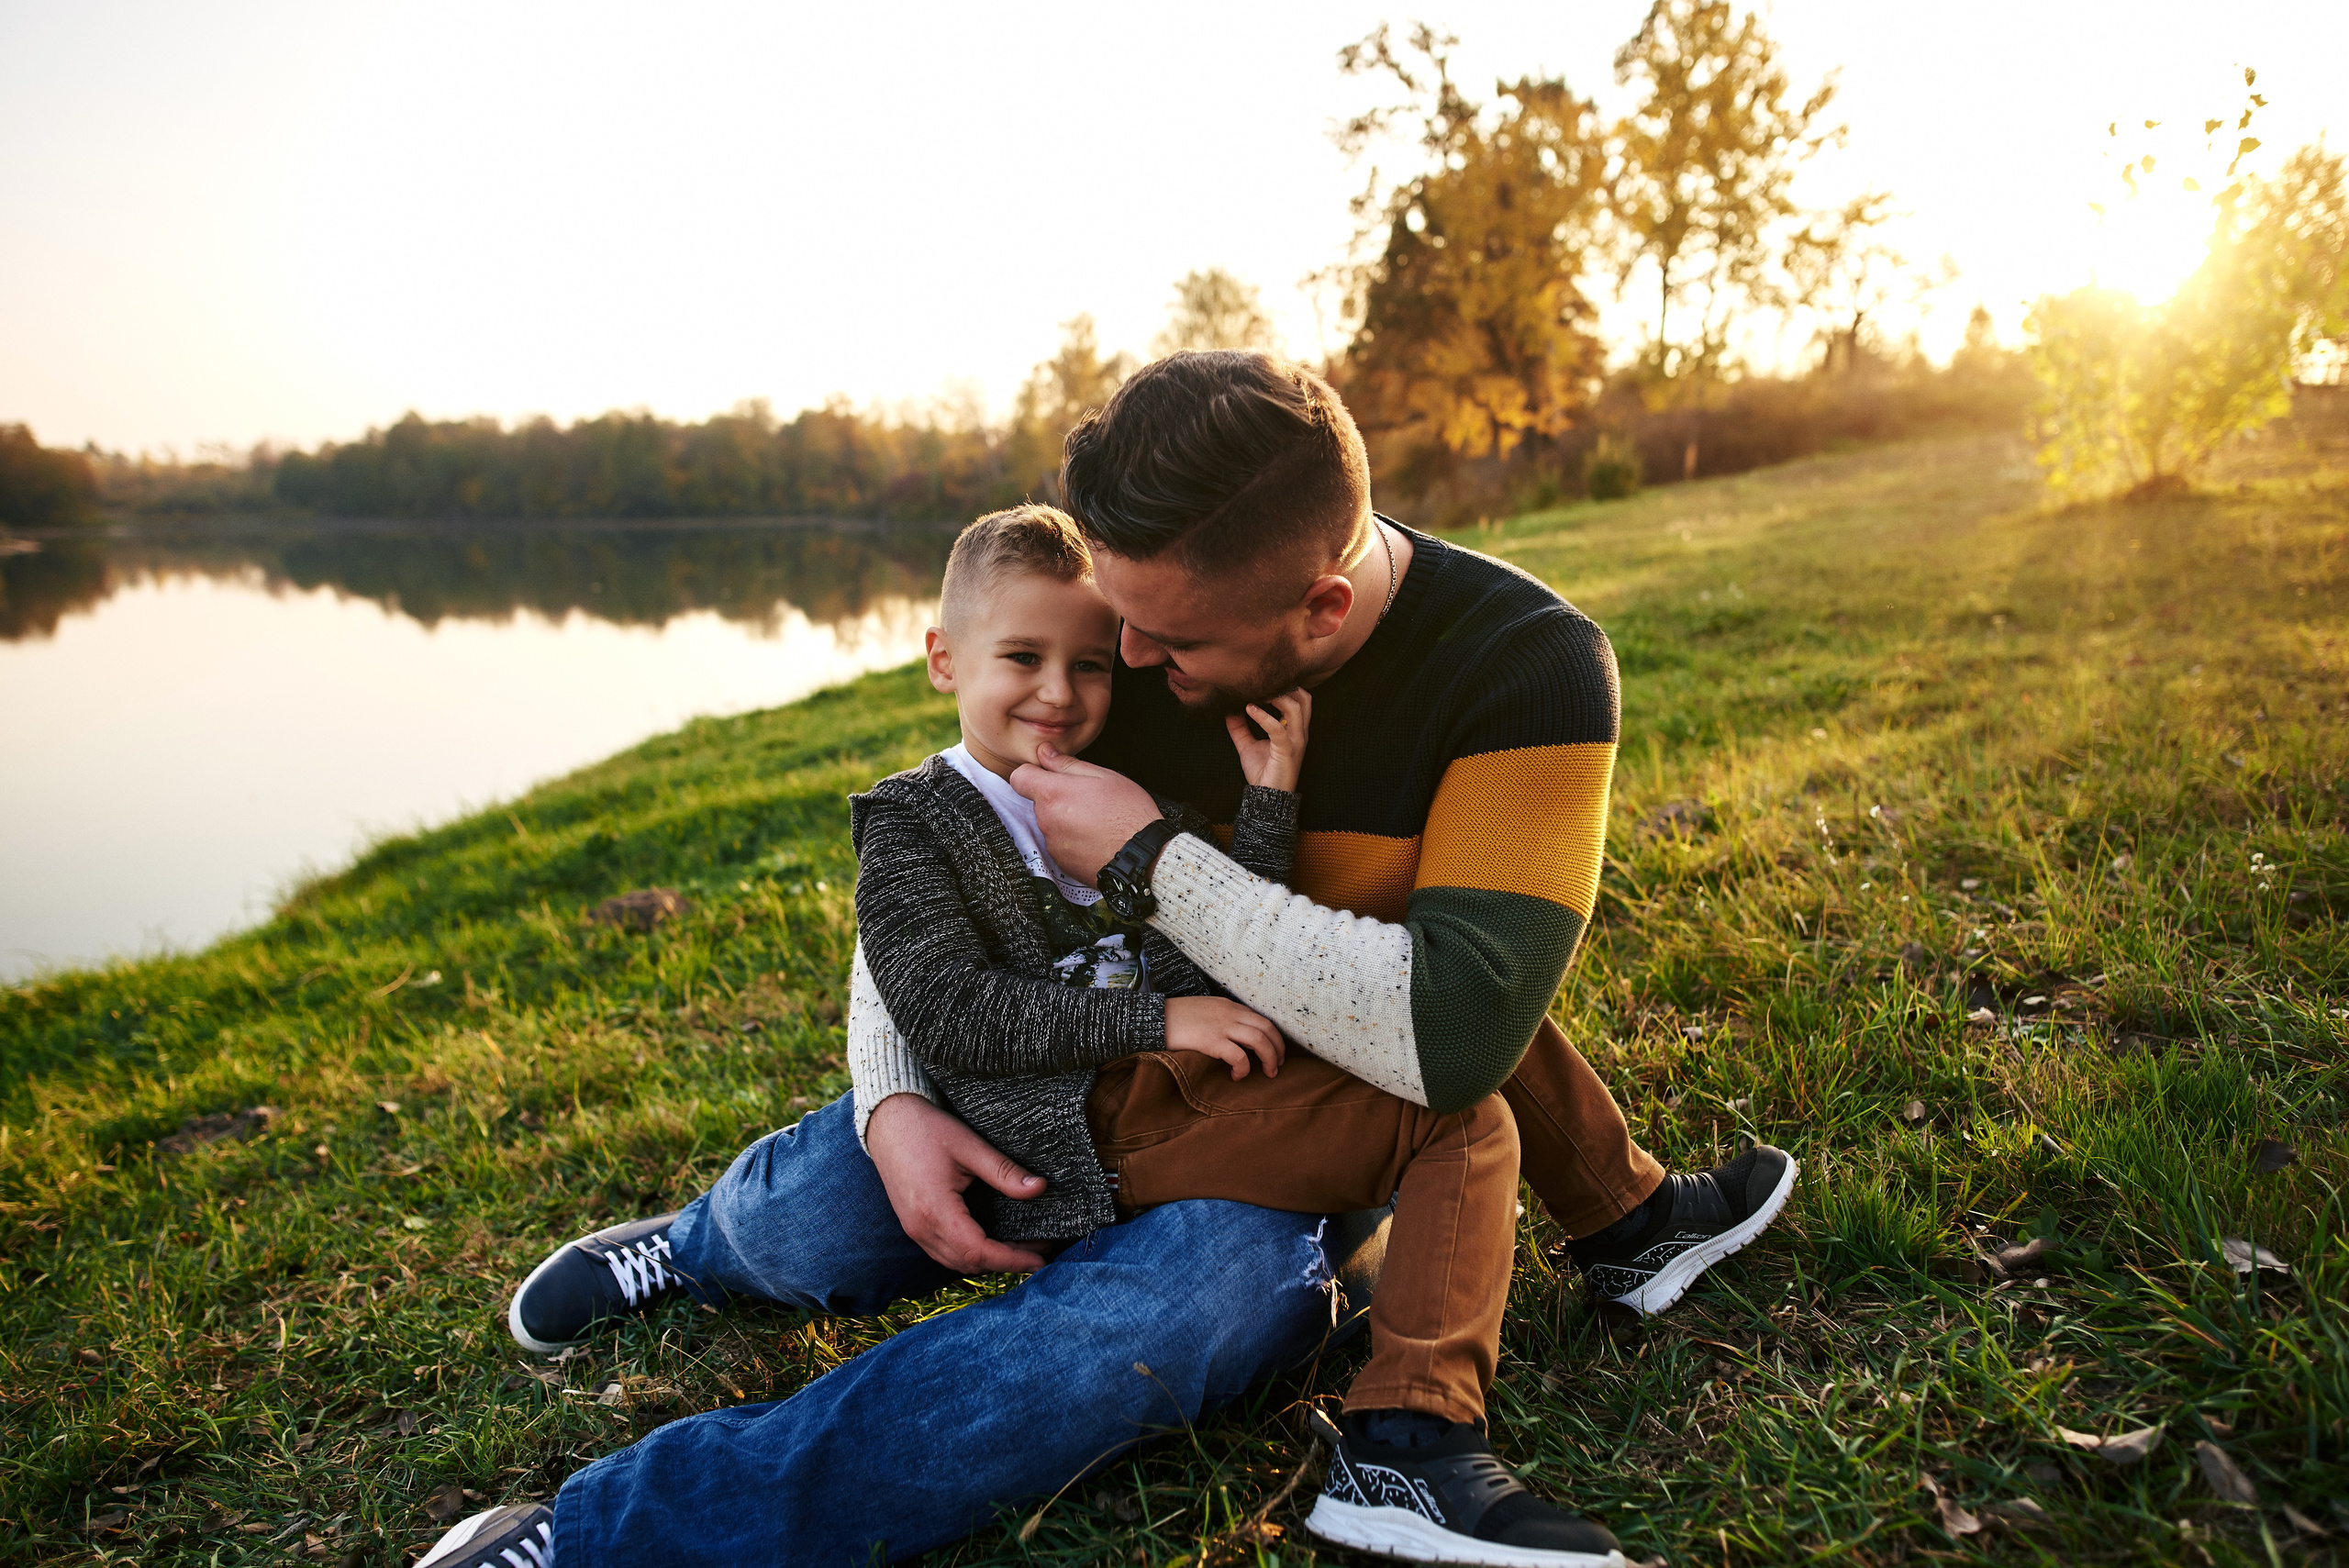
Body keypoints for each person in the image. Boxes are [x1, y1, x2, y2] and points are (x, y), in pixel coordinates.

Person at [429, 351, 1796, 1568]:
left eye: (1160, 643)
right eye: (1109, 626)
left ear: (1317, 611)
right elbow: (939, 861)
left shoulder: (1527, 673)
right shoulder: (1128, 608)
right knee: (823, 1212)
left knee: (1140, 1328)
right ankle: (697, 1245)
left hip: (1282, 1126)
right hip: (1050, 1070)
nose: (1117, 664)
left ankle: (600, 1535)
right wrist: (896, 1097)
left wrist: (1156, 857)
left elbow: (1454, 1040)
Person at [851, 503, 1619, 1562]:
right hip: (1080, 1118)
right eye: (1022, 657)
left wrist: (1267, 801)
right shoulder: (908, 819)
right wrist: (1156, 1016)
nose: (1062, 694)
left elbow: (1217, 934)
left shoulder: (1108, 781)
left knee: (1448, 1095)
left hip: (1179, 1079)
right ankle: (1406, 1440)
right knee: (1460, 1127)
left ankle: (1450, 1389)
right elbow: (948, 1010)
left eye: (1090, 664)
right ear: (943, 658)